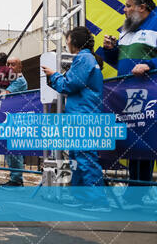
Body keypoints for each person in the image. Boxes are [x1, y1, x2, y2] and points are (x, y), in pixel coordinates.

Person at [98, 0, 157, 205]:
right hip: (128, 95)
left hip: (150, 94)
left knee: (147, 143)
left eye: (128, 6)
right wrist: (111, 49)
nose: (124, 10)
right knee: (134, 143)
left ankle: (139, 192)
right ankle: (136, 192)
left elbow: (144, 62)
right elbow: (120, 63)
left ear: (142, 7)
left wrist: (149, 64)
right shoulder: (126, 29)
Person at [42, 26, 109, 212]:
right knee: (78, 157)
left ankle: (97, 201)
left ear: (74, 42)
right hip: (82, 115)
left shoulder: (83, 58)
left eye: (68, 40)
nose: (66, 43)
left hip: (83, 116)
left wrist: (53, 76)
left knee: (85, 157)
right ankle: (83, 198)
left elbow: (70, 84)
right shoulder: (88, 59)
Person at [1, 57, 28, 187]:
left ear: (20, 67)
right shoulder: (10, 80)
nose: (10, 67)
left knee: (15, 149)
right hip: (9, 118)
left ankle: (17, 179)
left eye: (13, 64)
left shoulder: (20, 81)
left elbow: (4, 94)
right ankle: (14, 177)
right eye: (8, 64)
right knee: (9, 150)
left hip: (17, 118)